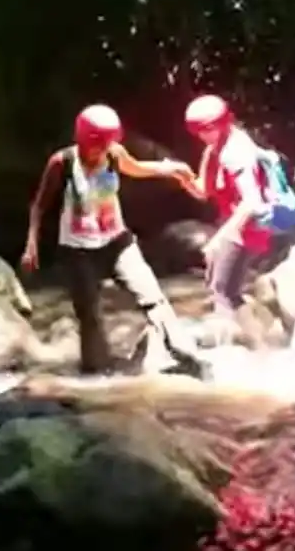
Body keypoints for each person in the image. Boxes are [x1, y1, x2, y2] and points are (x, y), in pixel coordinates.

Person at [20, 104, 201, 375]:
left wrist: (173, 169)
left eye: (107, 143)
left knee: (152, 297)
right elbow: (39, 205)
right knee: (90, 317)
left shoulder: (114, 154)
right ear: (82, 139)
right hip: (77, 250)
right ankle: (97, 380)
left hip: (118, 242)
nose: (102, 150)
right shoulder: (63, 162)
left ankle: (186, 356)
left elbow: (137, 168)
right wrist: (31, 244)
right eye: (98, 144)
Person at [180, 94, 279, 347]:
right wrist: (179, 174)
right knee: (227, 290)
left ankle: (230, 350)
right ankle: (261, 348)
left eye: (207, 128)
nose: (202, 135)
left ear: (222, 122)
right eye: (197, 130)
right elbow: (203, 191)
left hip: (248, 226)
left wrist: (218, 239)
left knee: (221, 290)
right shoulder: (215, 148)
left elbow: (251, 201)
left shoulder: (236, 151)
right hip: (236, 224)